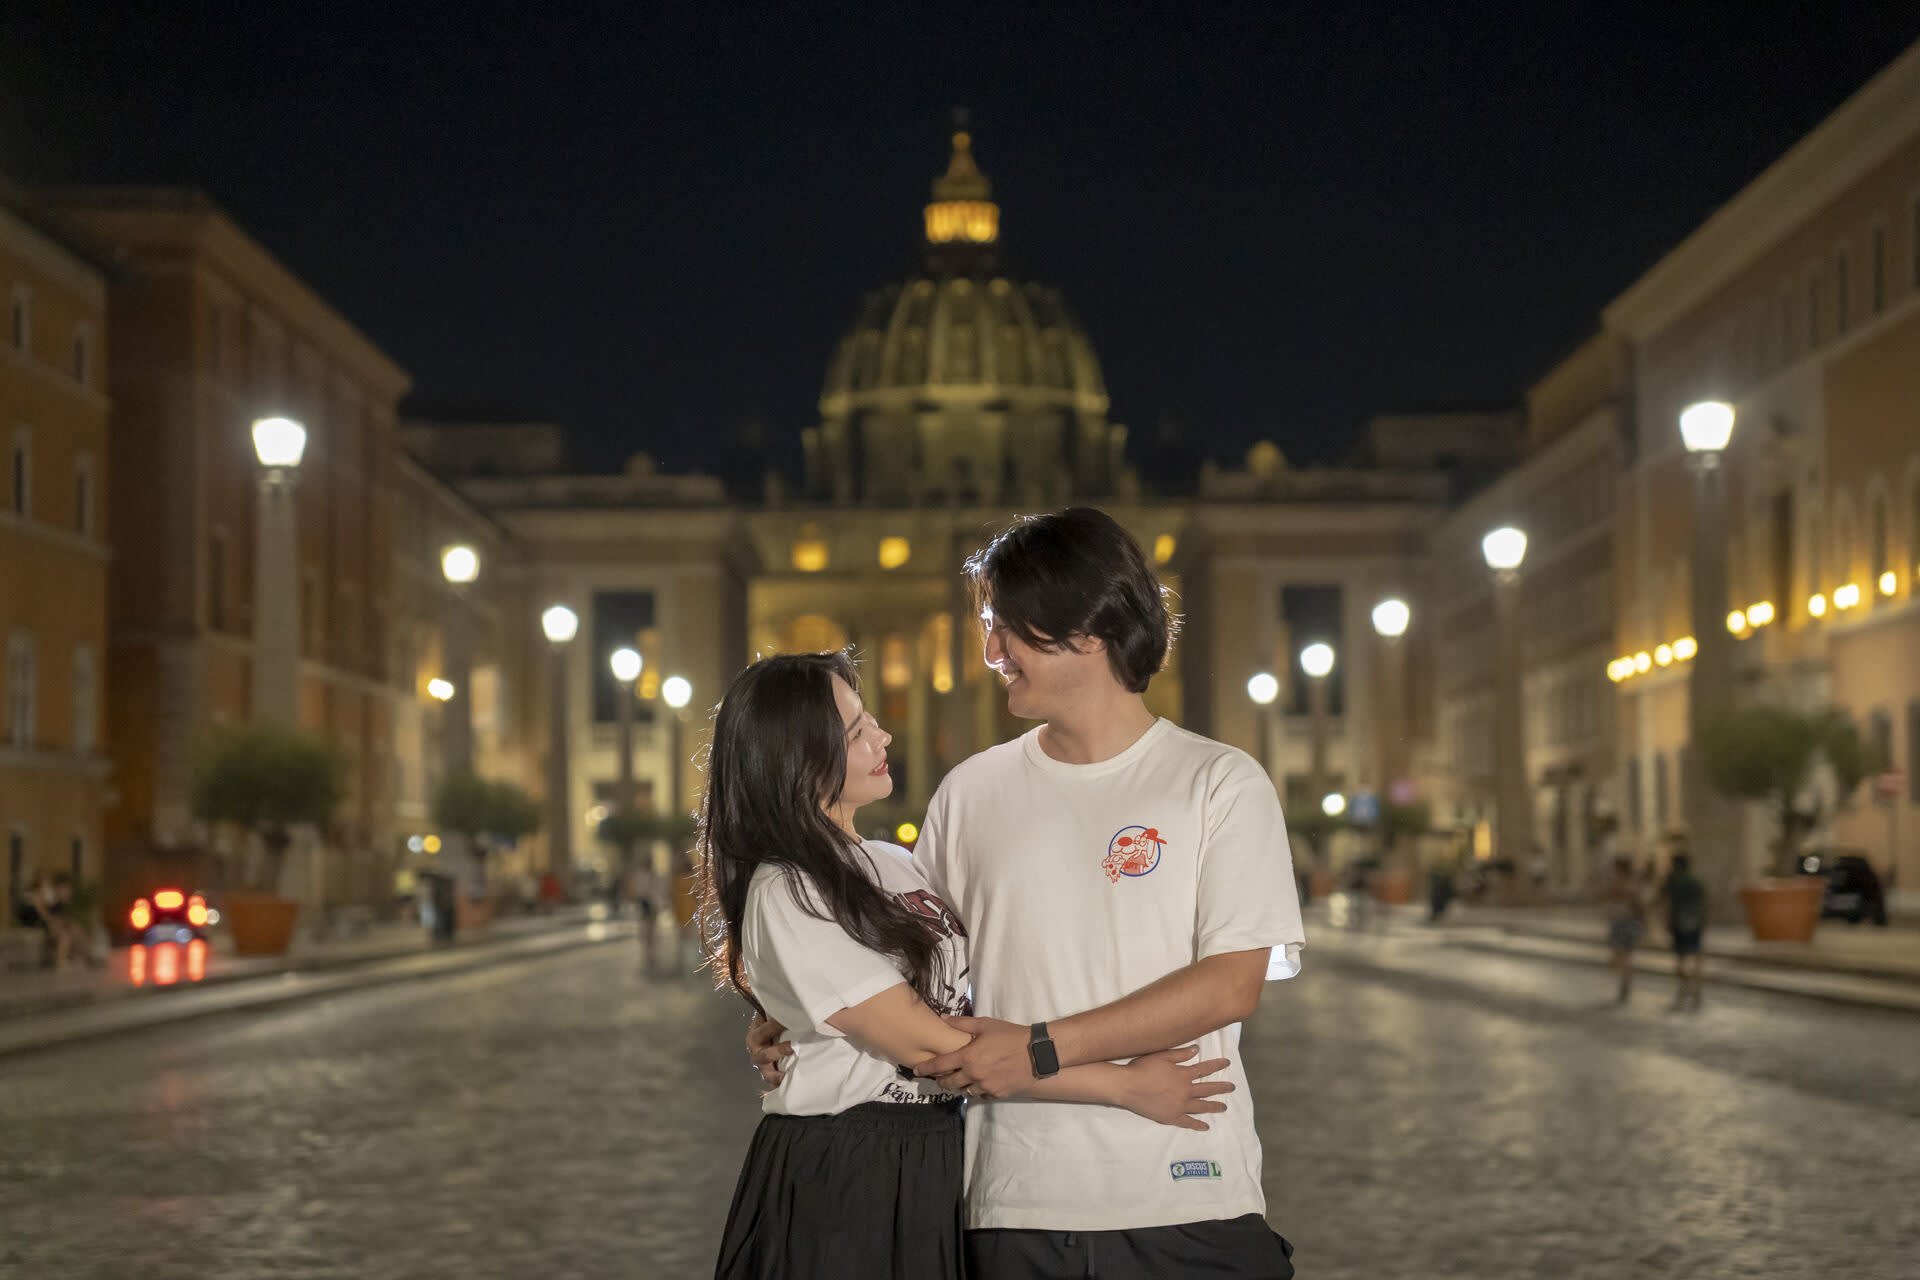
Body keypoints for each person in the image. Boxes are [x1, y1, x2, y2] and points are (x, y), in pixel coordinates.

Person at [751, 508, 1303, 1278]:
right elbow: (918, 968)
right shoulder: (969, 793)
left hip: (1188, 1192)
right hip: (1008, 1206)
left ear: (1089, 627)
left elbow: (1230, 986)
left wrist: (1040, 1048)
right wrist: (797, 1019)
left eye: (1007, 630)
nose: (990, 654)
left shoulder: (1219, 782)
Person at [701, 650, 1237, 1280]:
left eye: (870, 720)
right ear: (796, 757)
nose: (883, 736)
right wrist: (1123, 1086)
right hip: (847, 1168)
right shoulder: (787, 888)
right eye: (856, 731)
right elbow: (934, 1046)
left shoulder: (895, 863)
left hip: (934, 1150)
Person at [1658, 847, 1708, 1012]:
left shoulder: (1672, 881)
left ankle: (1684, 986)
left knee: (1680, 958)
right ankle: (1697, 988)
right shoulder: (1695, 881)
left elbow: (1665, 902)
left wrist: (1665, 922)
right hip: (1695, 921)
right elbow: (1704, 902)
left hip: (1678, 922)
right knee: (1696, 956)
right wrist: (1704, 920)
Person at [1600, 855, 1646, 1005]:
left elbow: (1639, 906)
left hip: (1626, 924)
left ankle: (1625, 984)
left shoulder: (1629, 884)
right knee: (1620, 958)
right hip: (1619, 923)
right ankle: (1625, 982)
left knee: (1623, 957)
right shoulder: (1618, 883)